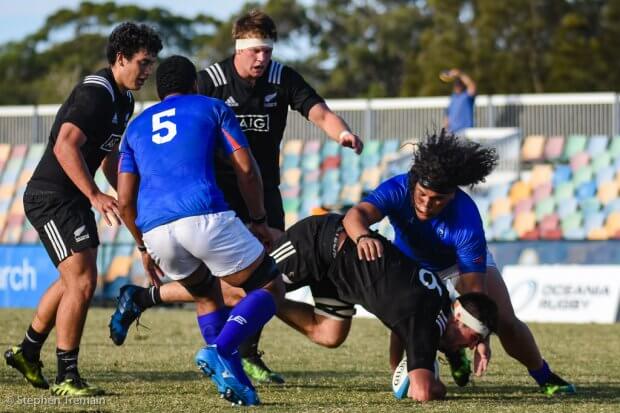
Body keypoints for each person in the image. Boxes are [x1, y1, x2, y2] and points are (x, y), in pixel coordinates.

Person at [112, 213, 498, 402]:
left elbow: (403, 331)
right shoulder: (427, 321)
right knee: (233, 294)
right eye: (469, 342)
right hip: (322, 244)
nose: (465, 348)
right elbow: (421, 391)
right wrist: (439, 386)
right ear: (462, 324)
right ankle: (143, 297)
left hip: (344, 276)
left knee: (329, 335)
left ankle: (269, 301)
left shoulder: (439, 305)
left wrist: (474, 339)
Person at [196, 9, 363, 383]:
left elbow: (319, 112)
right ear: (238, 48)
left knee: (268, 274)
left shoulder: (281, 77)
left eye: (267, 51)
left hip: (265, 195)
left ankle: (247, 351)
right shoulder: (211, 80)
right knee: (223, 280)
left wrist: (342, 134)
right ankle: (197, 331)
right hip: (220, 195)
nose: (262, 58)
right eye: (255, 50)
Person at [342, 130, 576, 395]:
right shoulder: (397, 188)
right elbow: (355, 214)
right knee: (405, 321)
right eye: (421, 195)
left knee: (505, 320)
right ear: (413, 184)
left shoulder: (466, 221)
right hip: (410, 263)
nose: (427, 205)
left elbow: (475, 294)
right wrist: (362, 237)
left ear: (453, 195)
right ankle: (417, 367)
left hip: (457, 264)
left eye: (438, 199)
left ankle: (545, 377)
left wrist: (481, 338)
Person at [110, 55, 285, 406]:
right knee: (269, 285)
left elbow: (125, 201)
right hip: (204, 215)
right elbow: (246, 170)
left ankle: (237, 383)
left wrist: (143, 247)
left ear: (160, 92)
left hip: (156, 230)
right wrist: (259, 219)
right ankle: (220, 348)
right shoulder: (213, 106)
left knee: (206, 295)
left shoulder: (137, 127)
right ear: (194, 85)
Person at [3, 22, 162, 397]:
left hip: (72, 196)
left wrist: (125, 199)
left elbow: (108, 158)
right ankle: (67, 376)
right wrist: (94, 195)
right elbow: (64, 147)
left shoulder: (124, 101)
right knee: (83, 281)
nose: (147, 71)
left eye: (152, 64)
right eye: (142, 62)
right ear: (120, 59)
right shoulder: (97, 92)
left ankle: (27, 351)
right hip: (51, 196)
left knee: (72, 281)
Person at [442, 68, 476, 134]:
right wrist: (445, 130)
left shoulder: (466, 96)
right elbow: (448, 115)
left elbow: (471, 85)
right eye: (456, 85)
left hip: (465, 132)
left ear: (463, 86)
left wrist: (460, 74)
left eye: (460, 85)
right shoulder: (453, 97)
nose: (458, 86)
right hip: (452, 132)